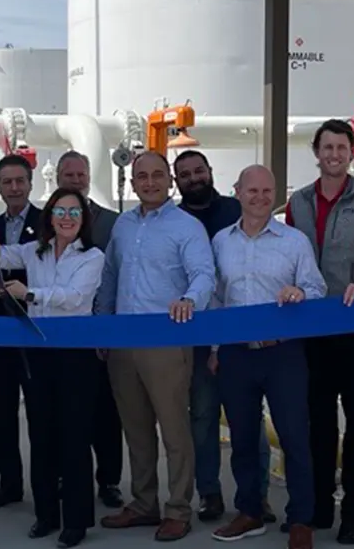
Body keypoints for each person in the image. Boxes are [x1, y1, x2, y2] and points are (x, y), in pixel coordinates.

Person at [96, 151, 216, 542]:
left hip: (166, 342)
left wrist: (190, 300)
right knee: (136, 428)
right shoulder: (123, 227)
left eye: (157, 175)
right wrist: (102, 325)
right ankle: (144, 503)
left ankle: (179, 508)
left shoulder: (187, 227)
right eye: (142, 177)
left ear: (170, 181)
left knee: (174, 430)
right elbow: (111, 276)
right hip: (123, 341)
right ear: (132, 184)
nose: (150, 182)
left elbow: (203, 274)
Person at [0, 186, 107, 548]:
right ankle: (46, 514)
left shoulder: (93, 256)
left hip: (75, 356)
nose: (67, 219)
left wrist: (30, 294)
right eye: (60, 212)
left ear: (83, 219)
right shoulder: (36, 251)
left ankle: (76, 521)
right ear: (49, 217)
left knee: (75, 438)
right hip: (38, 353)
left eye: (74, 212)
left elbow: (76, 298)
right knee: (41, 435)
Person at [207, 165, 324, 549]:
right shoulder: (221, 242)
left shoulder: (294, 242)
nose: (259, 197)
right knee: (242, 437)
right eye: (251, 190)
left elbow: (317, 288)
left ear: (276, 195)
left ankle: (301, 518)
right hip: (236, 355)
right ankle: (250, 511)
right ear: (237, 192)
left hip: (282, 352)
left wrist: (300, 293)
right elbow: (216, 299)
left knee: (294, 435)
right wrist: (213, 349)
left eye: (266, 191)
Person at [284, 119, 354, 545]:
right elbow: (288, 254)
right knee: (319, 420)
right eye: (327, 147)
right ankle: (322, 504)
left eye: (341, 147)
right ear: (317, 152)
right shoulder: (299, 202)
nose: (334, 154)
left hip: (353, 325)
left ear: (351, 152)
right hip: (311, 328)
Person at [172, 151, 270, 523]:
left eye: (199, 171)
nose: (194, 178)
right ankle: (209, 493)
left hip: (245, 333)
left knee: (250, 420)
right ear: (176, 180)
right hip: (198, 333)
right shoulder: (175, 220)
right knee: (203, 416)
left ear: (211, 172)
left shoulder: (236, 210)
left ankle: (257, 495)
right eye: (185, 174)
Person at [54, 151, 124, 510]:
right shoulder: (49, 220)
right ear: (58, 179)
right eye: (69, 175)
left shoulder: (114, 223)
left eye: (81, 174)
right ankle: (68, 475)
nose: (76, 180)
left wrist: (106, 329)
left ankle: (109, 481)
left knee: (106, 413)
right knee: (68, 414)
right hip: (62, 336)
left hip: (102, 331)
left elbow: (118, 277)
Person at [0, 154, 42, 510]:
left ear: (31, 183)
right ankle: (9, 485)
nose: (14, 188)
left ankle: (47, 484)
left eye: (20, 181)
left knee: (42, 415)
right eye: (7, 182)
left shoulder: (49, 223)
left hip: (38, 336)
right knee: (2, 415)